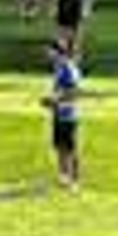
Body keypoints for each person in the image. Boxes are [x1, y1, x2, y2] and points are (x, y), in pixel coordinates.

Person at [42, 40, 82, 189]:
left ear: (58, 52)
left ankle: (75, 180)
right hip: (58, 113)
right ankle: (63, 176)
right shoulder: (58, 68)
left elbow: (73, 92)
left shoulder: (68, 68)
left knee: (71, 148)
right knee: (59, 147)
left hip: (69, 114)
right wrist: (51, 101)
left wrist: (55, 100)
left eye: (49, 51)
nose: (47, 54)